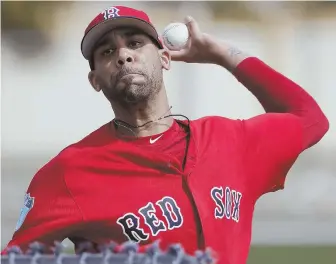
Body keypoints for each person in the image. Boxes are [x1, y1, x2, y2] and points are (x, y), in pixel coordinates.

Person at [2, 5, 329, 264]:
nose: (123, 55)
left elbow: (310, 119)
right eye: (106, 52)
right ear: (95, 80)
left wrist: (223, 55)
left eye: (134, 43)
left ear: (164, 58)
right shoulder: (69, 173)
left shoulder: (231, 141)